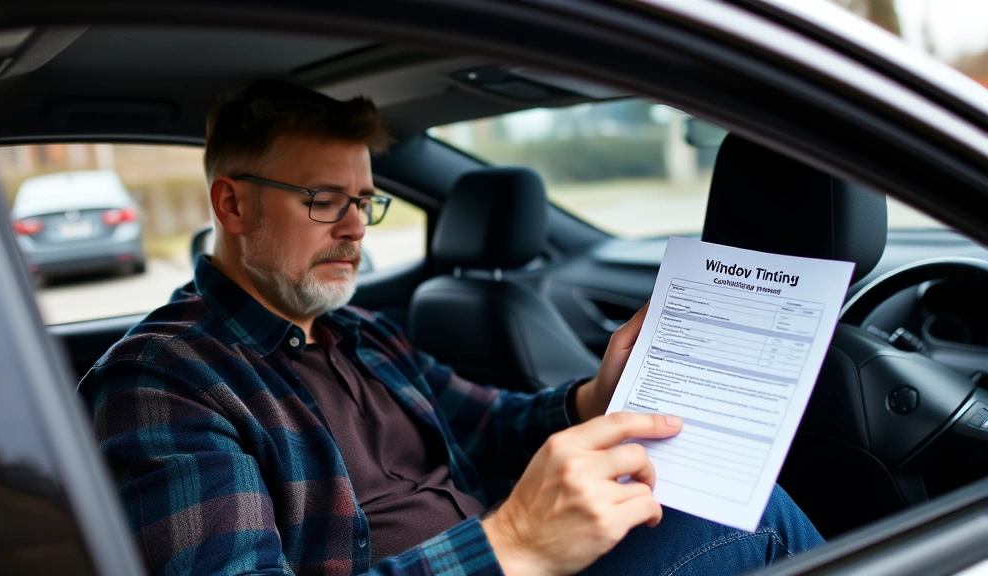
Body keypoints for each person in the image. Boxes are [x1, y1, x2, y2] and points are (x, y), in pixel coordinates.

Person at [80, 80, 823, 576]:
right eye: (323, 200)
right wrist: (510, 543)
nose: (353, 230)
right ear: (233, 207)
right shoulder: (162, 383)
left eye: (364, 202)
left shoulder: (363, 334)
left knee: (737, 501)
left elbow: (490, 424)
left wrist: (593, 398)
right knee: (753, 522)